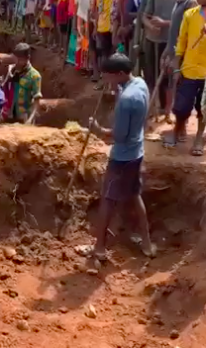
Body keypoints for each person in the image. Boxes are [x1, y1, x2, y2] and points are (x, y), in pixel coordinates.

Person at [88, 53, 153, 260]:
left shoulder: (126, 100)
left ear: (121, 73)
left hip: (122, 157)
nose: (106, 80)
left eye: (109, 76)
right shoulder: (140, 84)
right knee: (134, 195)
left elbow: (119, 136)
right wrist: (117, 89)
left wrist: (97, 129)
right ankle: (147, 244)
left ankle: (99, 248)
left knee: (107, 199)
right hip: (137, 152)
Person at [167, 0, 206, 153]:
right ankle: (176, 132)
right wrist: (177, 66)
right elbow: (181, 41)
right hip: (189, 69)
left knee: (203, 108)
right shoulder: (190, 14)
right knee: (182, 105)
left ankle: (199, 139)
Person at [142, 0, 178, 115]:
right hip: (152, 39)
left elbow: (183, 21)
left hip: (169, 42)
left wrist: (165, 24)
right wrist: (150, 26)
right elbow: (145, 16)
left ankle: (167, 108)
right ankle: (155, 105)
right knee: (151, 74)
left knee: (168, 77)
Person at [0, 43, 42, 124]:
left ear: (28, 58)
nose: (17, 62)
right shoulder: (11, 71)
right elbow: (4, 89)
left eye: (20, 59)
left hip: (23, 117)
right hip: (8, 115)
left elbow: (37, 100)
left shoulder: (35, 76)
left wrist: (30, 119)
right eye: (16, 58)